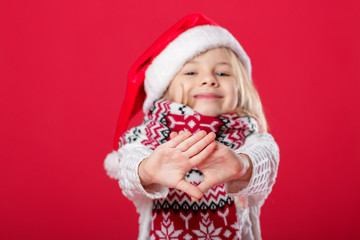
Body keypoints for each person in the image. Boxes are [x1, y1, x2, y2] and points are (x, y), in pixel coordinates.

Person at [104, 13, 279, 240]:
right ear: (166, 86)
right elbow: (130, 161)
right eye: (191, 72)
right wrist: (147, 169)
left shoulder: (248, 137)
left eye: (223, 72)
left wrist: (242, 165)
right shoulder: (150, 136)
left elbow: (266, 156)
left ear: (242, 87)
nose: (208, 79)